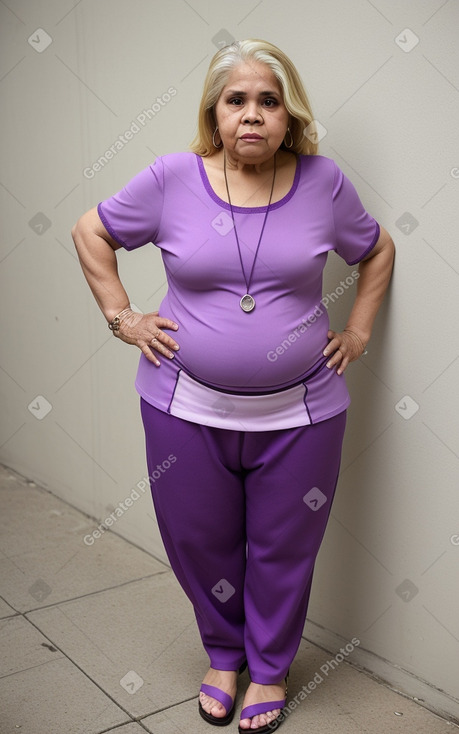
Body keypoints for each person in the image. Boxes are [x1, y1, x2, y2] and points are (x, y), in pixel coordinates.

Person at [72, 38, 395, 733]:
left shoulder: (323, 184)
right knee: (200, 539)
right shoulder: (170, 178)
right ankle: (223, 657)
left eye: (268, 101)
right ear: (214, 113)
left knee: (283, 547)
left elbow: (374, 250)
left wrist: (359, 332)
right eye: (236, 100)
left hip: (301, 413)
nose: (252, 114)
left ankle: (269, 670)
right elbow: (89, 231)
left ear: (290, 115)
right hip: (183, 407)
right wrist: (122, 316)